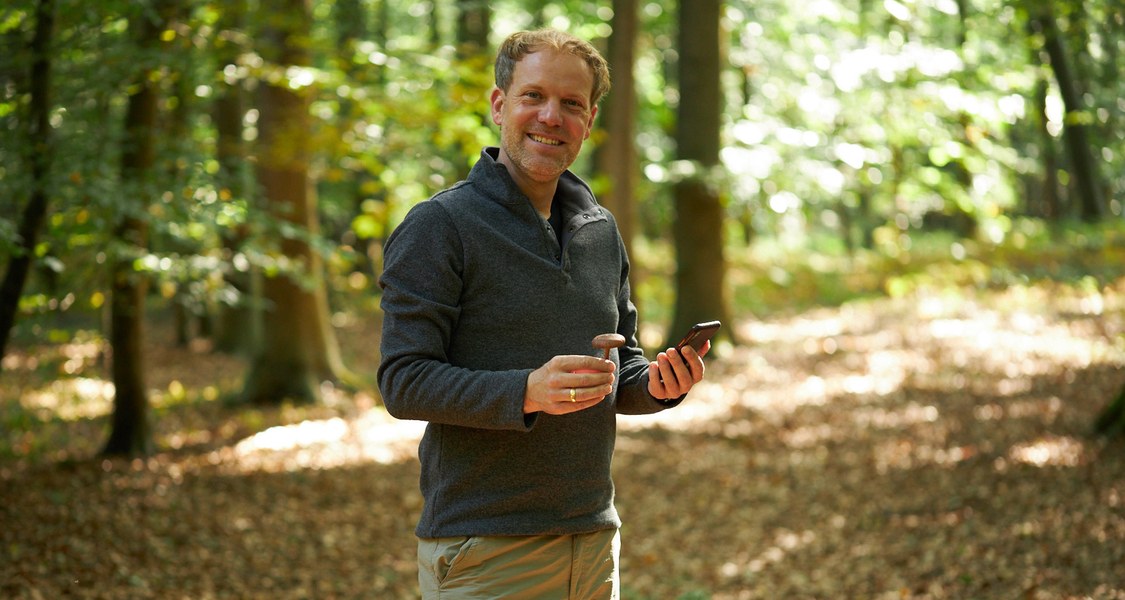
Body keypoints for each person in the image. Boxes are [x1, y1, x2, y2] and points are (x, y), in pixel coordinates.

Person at [377, 28, 710, 599]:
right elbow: (402, 382)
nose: (551, 117)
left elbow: (618, 368)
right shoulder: (440, 226)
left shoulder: (601, 232)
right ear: (499, 103)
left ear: (590, 119)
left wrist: (656, 384)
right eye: (534, 96)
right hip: (486, 548)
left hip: (594, 538)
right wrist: (527, 390)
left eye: (571, 104)